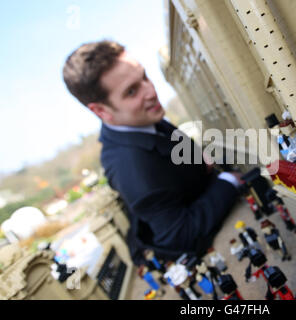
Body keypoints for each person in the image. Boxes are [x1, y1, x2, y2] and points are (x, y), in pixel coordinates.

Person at [62, 40, 242, 265]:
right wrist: (228, 181)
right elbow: (179, 235)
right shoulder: (129, 167)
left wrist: (198, 161)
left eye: (144, 77)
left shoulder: (138, 118)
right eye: (131, 91)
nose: (151, 91)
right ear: (101, 111)